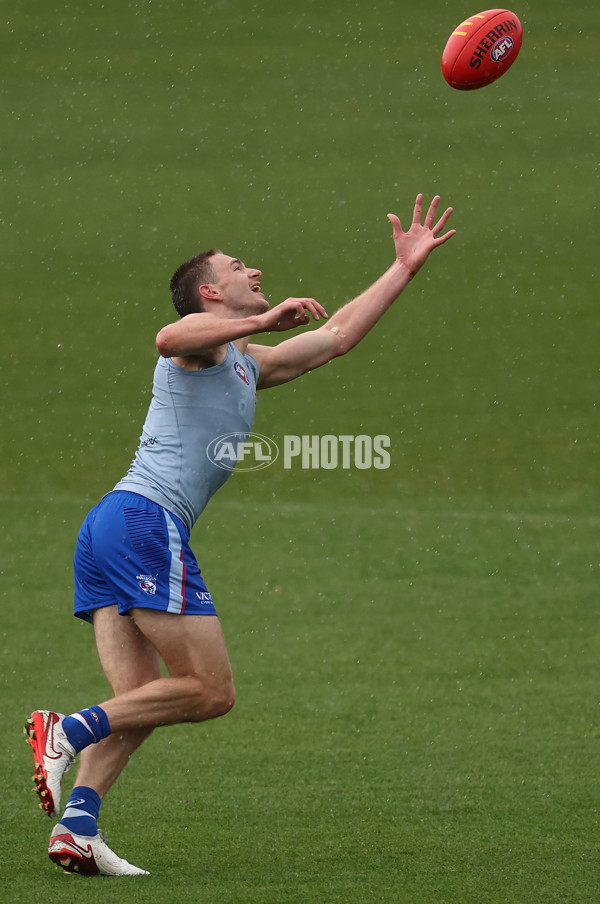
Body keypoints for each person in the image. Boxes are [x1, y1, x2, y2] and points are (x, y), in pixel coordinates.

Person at [25, 194, 455, 876]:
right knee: (211, 693)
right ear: (209, 292)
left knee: (138, 705)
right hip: (142, 523)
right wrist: (260, 318)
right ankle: (66, 730)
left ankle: (76, 829)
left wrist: (402, 269)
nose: (252, 269)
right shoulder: (196, 352)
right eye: (237, 266)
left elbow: (337, 337)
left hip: (111, 525)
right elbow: (170, 338)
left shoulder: (247, 365)